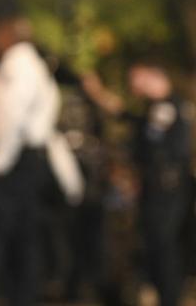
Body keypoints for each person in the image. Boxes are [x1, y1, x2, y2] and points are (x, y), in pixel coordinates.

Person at [82, 59, 193, 306]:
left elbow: (157, 149)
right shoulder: (153, 110)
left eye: (136, 78)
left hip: (166, 190)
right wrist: (98, 93)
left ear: (153, 76)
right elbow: (127, 117)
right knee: (154, 245)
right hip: (156, 189)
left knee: (163, 247)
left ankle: (169, 297)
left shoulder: (168, 107)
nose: (133, 85)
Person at [0, 16, 60, 306]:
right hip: (23, 161)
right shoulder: (30, 65)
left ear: (9, 37)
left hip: (13, 161)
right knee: (23, 240)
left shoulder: (18, 64)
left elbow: (12, 118)